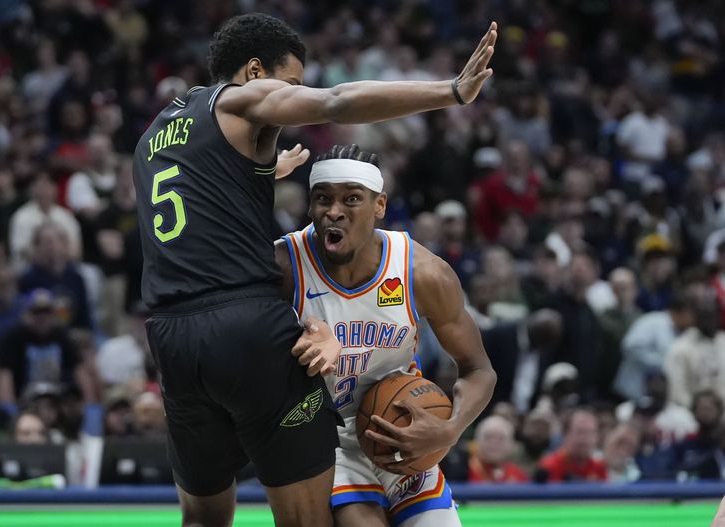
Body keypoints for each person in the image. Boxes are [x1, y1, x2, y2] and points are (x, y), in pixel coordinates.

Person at [132, 12, 498, 527]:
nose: (294, 99)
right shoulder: (240, 98)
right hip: (244, 328)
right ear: (256, 71)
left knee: (202, 519)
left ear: (378, 206)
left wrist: (260, 176)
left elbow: (202, 213)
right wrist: (452, 91)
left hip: (171, 338)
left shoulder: (155, 135)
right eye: (291, 84)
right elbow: (337, 102)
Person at [276, 145, 496, 526]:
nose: (334, 211)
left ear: (379, 206)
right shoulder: (283, 267)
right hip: (326, 442)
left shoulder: (422, 272)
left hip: (405, 428)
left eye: (351, 199)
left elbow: (478, 369)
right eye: (322, 198)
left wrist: (448, 429)